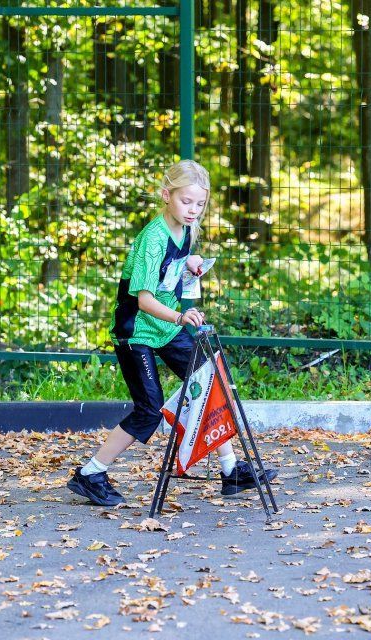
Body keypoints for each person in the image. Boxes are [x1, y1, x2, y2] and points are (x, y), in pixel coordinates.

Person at [67, 160, 277, 507]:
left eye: (200, 204)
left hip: (166, 327)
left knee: (209, 382)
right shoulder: (152, 239)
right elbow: (145, 299)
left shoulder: (186, 229)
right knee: (148, 410)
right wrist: (181, 316)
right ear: (167, 196)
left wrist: (192, 263)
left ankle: (230, 470)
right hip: (137, 333)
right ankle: (90, 473)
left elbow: (176, 267)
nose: (193, 210)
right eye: (186, 202)